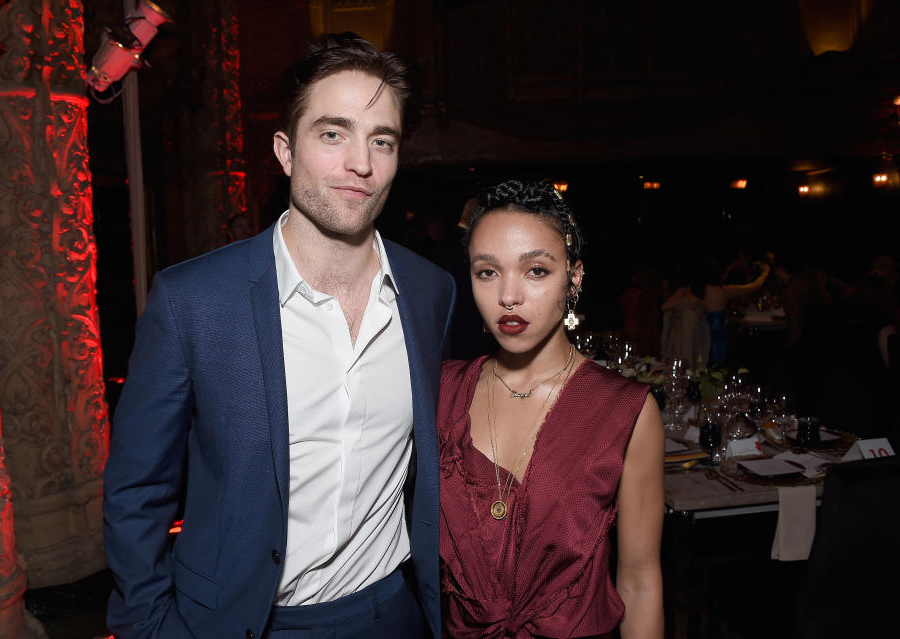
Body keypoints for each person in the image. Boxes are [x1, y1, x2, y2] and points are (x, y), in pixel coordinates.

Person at [103, 33, 455, 639]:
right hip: (246, 622)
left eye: (382, 141)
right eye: (333, 133)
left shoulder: (429, 293)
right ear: (285, 151)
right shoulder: (194, 300)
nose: (361, 164)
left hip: (391, 614)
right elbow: (138, 490)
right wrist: (152, 627)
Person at [439, 180, 664, 638]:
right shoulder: (441, 391)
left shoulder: (626, 412)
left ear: (574, 277)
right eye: (487, 272)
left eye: (536, 271)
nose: (508, 296)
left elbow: (639, 583)